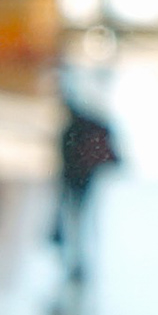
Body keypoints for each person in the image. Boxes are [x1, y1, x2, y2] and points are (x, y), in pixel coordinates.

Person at [52, 95, 121, 281]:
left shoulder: (74, 129)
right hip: (82, 182)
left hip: (76, 183)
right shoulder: (85, 128)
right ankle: (79, 262)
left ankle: (77, 261)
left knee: (75, 222)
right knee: (81, 222)